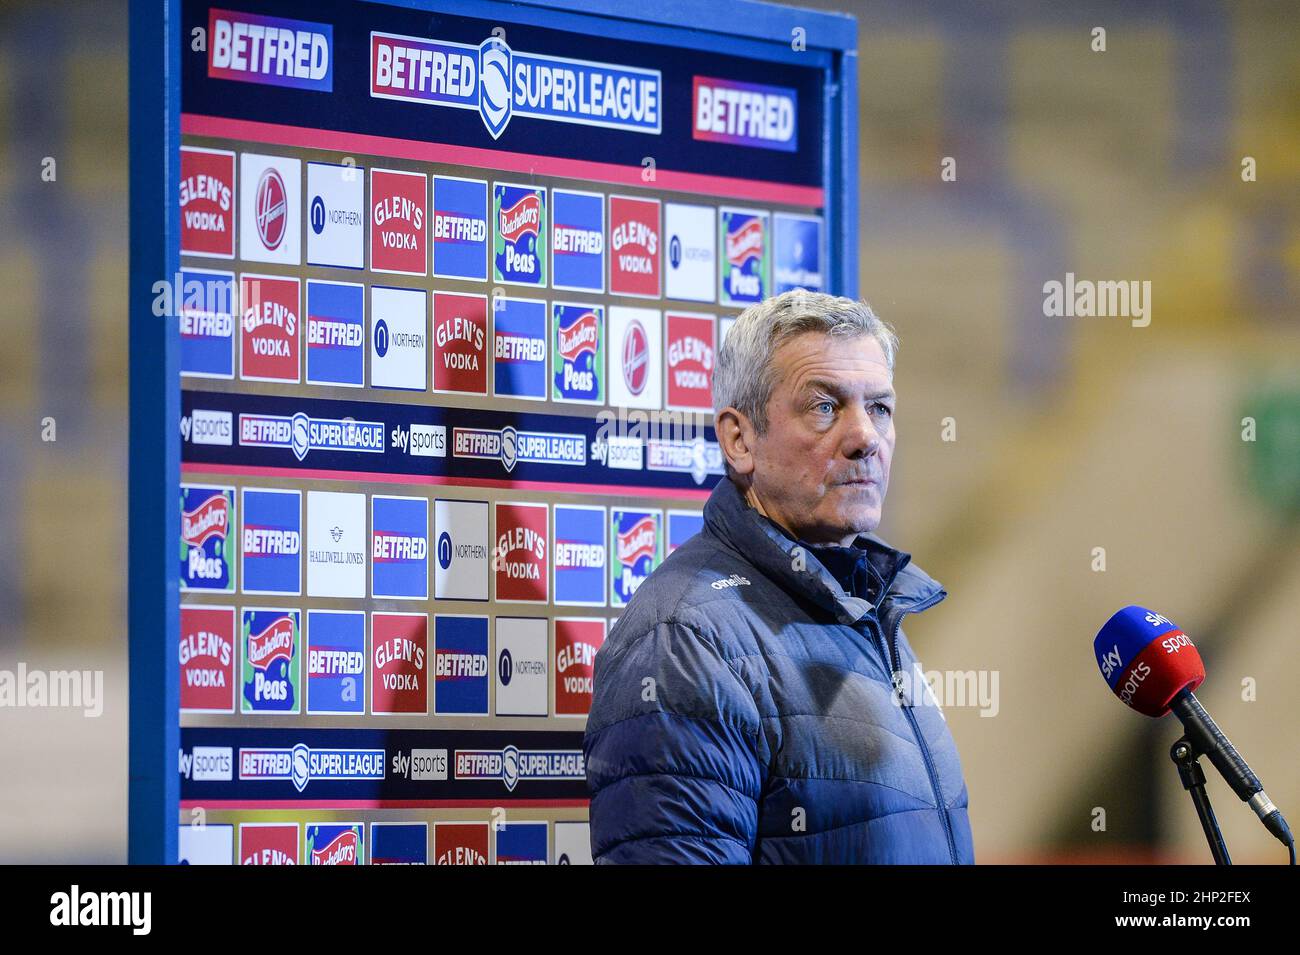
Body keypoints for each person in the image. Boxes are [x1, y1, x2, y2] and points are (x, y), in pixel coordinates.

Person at [584, 290, 975, 864]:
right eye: (824, 406)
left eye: (880, 408)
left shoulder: (865, 608)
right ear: (739, 440)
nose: (865, 436)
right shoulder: (687, 641)